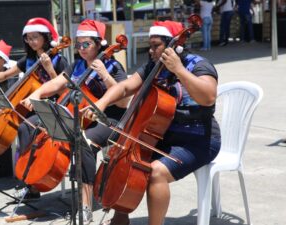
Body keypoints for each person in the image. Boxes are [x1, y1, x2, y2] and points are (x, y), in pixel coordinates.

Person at [83, 20, 221, 225]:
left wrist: (179, 70)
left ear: (174, 46)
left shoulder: (198, 65)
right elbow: (125, 87)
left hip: (198, 139)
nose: (151, 50)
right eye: (151, 45)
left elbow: (208, 97)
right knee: (122, 161)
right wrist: (101, 103)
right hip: (163, 136)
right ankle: (120, 218)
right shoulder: (153, 67)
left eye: (156, 45)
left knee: (156, 172)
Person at [18, 19, 129, 224]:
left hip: (109, 119)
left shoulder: (113, 65)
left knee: (83, 142)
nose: (80, 48)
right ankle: (32, 183)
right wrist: (37, 95)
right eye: (78, 44)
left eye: (85, 44)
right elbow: (57, 82)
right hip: (79, 116)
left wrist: (105, 75)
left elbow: (124, 102)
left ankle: (85, 204)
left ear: (98, 43)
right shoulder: (77, 64)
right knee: (30, 124)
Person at [0, 18, 68, 177]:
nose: (31, 41)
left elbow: (64, 93)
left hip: (49, 107)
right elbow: (5, 74)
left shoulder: (59, 60)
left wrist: (50, 69)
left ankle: (30, 172)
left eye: (35, 37)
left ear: (45, 38)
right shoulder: (29, 60)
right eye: (28, 38)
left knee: (25, 128)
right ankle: (6, 169)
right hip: (30, 106)